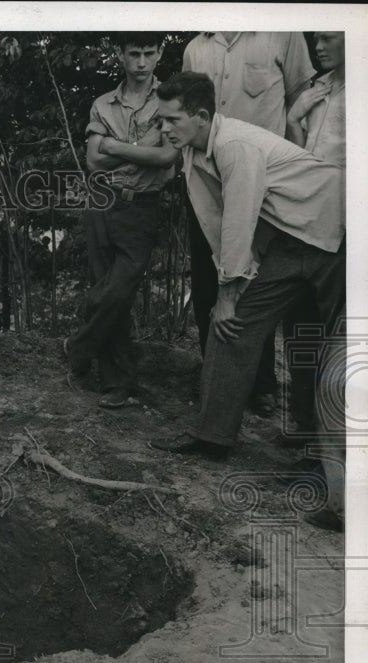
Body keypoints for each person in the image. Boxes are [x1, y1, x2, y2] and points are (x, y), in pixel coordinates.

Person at [149, 73, 344, 460]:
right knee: (234, 329)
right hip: (294, 237)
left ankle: (317, 449)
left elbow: (239, 220)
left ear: (202, 116)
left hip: (340, 231)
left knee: (331, 344)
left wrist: (227, 294)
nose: (164, 128)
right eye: (161, 120)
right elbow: (217, 224)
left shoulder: (234, 145)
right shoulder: (194, 149)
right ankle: (212, 437)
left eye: (173, 120)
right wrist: (233, 292)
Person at [181, 32, 315, 417]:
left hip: (267, 189)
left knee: (258, 285)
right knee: (209, 284)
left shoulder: (282, 35)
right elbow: (186, 112)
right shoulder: (195, 47)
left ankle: (262, 386)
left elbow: (300, 105)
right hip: (208, 180)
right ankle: (216, 380)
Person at [63, 32, 176, 408]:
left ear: (160, 54)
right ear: (120, 55)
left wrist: (112, 144)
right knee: (109, 291)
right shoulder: (102, 104)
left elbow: (165, 158)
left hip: (142, 205)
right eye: (134, 54)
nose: (142, 62)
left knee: (118, 289)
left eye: (149, 53)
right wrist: (140, 149)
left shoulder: (170, 101)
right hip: (102, 203)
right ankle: (117, 382)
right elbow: (94, 161)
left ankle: (78, 347)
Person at [284, 32, 346, 532]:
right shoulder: (319, 91)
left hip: (350, 230)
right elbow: (306, 162)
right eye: (316, 37)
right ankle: (334, 488)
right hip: (316, 228)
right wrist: (293, 117)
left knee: (341, 368)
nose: (319, 45)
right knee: (318, 350)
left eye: (329, 37)